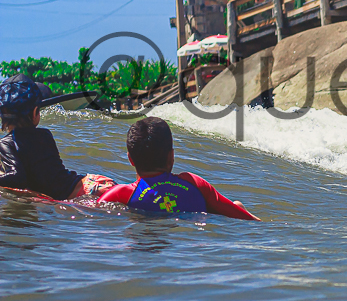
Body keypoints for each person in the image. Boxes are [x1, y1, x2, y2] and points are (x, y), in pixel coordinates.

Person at [99, 117, 259, 220]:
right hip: (195, 242)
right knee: (237, 205)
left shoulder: (122, 194)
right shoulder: (193, 183)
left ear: (130, 159)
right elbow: (249, 220)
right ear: (171, 156)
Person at [0, 75, 116, 200]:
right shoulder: (45, 134)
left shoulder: (6, 143)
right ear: (35, 113)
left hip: (79, 194)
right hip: (91, 183)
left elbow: (17, 177)